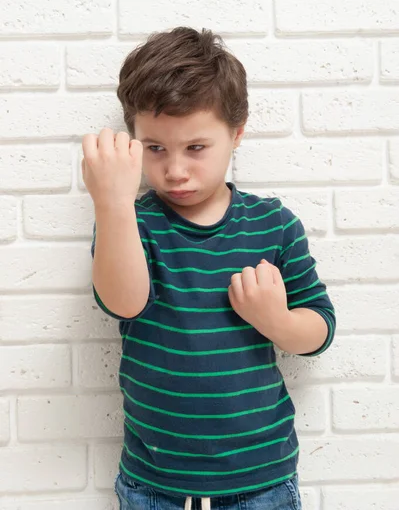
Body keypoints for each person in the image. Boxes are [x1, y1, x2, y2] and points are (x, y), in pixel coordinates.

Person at [82, 27, 336, 510]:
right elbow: (123, 302)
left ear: (236, 135)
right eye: (155, 148)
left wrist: (277, 321)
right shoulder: (131, 221)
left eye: (195, 148)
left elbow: (320, 329)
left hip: (261, 483)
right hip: (153, 483)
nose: (175, 170)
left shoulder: (273, 225)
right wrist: (111, 202)